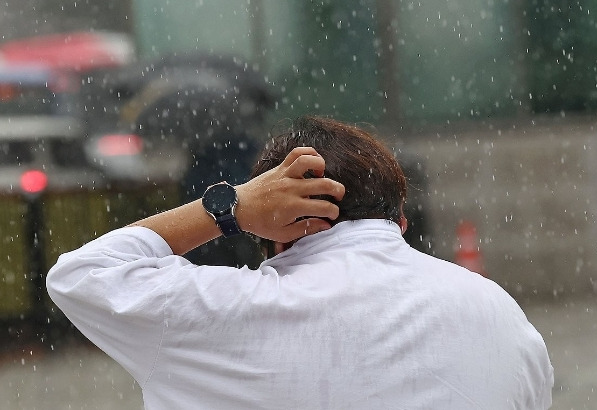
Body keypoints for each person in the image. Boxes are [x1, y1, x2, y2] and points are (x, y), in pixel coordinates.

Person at [47, 115, 554, 409]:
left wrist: (230, 207)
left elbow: (81, 274)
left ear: (273, 226)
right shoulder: (501, 313)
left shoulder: (231, 313)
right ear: (399, 219)